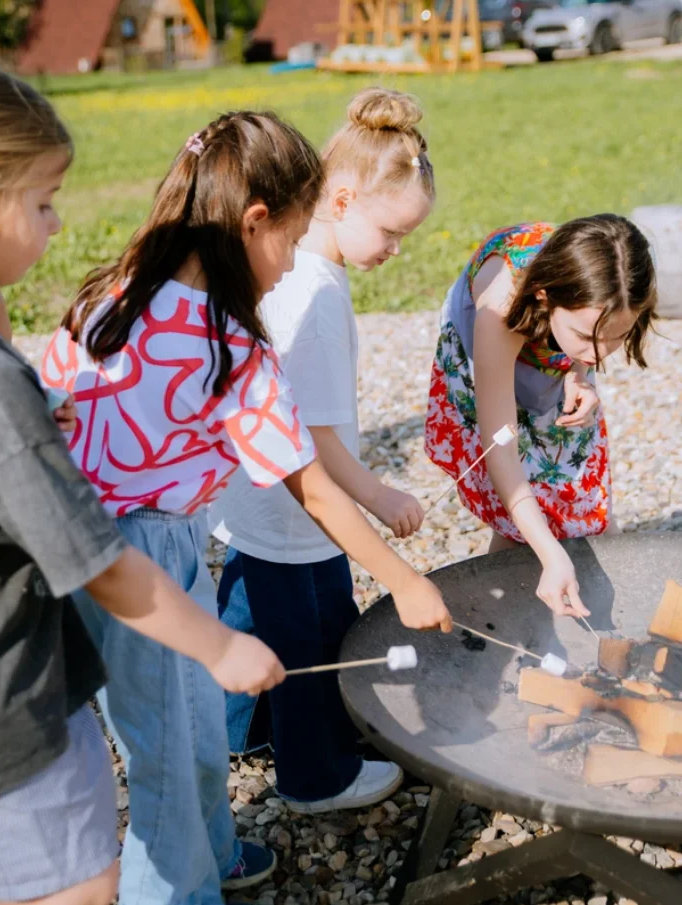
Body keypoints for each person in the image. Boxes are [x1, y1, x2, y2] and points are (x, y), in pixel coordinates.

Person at [0, 47, 284, 905]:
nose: (56, 225)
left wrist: (18, 404)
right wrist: (220, 645)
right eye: (42, 203)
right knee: (78, 886)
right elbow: (104, 567)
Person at [41, 110, 452, 905]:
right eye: (290, 242)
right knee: (166, 761)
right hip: (145, 560)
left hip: (97, 544)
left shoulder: (114, 291)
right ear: (255, 221)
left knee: (189, 725)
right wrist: (402, 579)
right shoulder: (233, 343)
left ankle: (216, 850)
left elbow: (53, 417)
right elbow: (314, 485)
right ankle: (177, 888)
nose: (291, 262)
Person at [210, 88, 435, 814]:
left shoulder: (295, 271)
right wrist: (379, 497)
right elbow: (314, 442)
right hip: (295, 507)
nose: (393, 253)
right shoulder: (316, 296)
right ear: (339, 199)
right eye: (390, 234)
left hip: (250, 500)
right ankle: (316, 775)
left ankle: (235, 732)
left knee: (248, 604)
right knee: (313, 636)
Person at [424, 217, 657, 617]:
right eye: (587, 339)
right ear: (546, 298)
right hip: (490, 355)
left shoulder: (603, 295)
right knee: (522, 510)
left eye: (618, 337)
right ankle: (505, 615)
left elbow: (592, 339)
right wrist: (549, 550)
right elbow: (500, 449)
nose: (602, 354)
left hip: (544, 339)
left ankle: (578, 602)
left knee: (578, 493)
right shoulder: (500, 310)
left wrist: (578, 372)